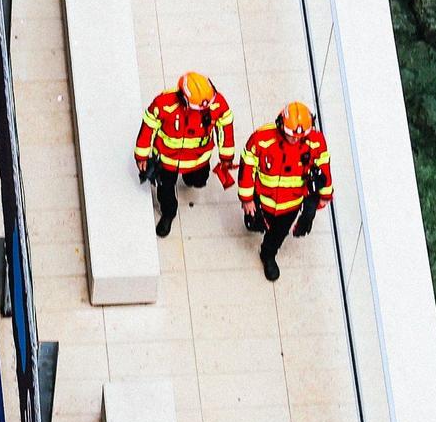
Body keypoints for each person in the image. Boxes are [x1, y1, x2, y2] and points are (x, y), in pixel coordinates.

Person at [238, 100, 333, 280]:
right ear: (281, 125)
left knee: (278, 234)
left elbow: (324, 167)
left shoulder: (316, 141)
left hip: (291, 204)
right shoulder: (261, 139)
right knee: (255, 222)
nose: (296, 139)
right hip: (262, 198)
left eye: (300, 136)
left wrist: (325, 195)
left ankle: (268, 255)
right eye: (292, 135)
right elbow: (247, 166)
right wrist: (247, 199)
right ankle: (253, 222)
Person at [135, 71, 236, 238]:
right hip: (167, 161)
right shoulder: (163, 104)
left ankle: (191, 179)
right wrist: (142, 156)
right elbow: (148, 127)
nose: (204, 110)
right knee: (165, 191)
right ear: (183, 98)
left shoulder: (216, 103)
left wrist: (226, 157)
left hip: (199, 159)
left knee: (198, 181)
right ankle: (168, 213)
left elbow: (225, 128)